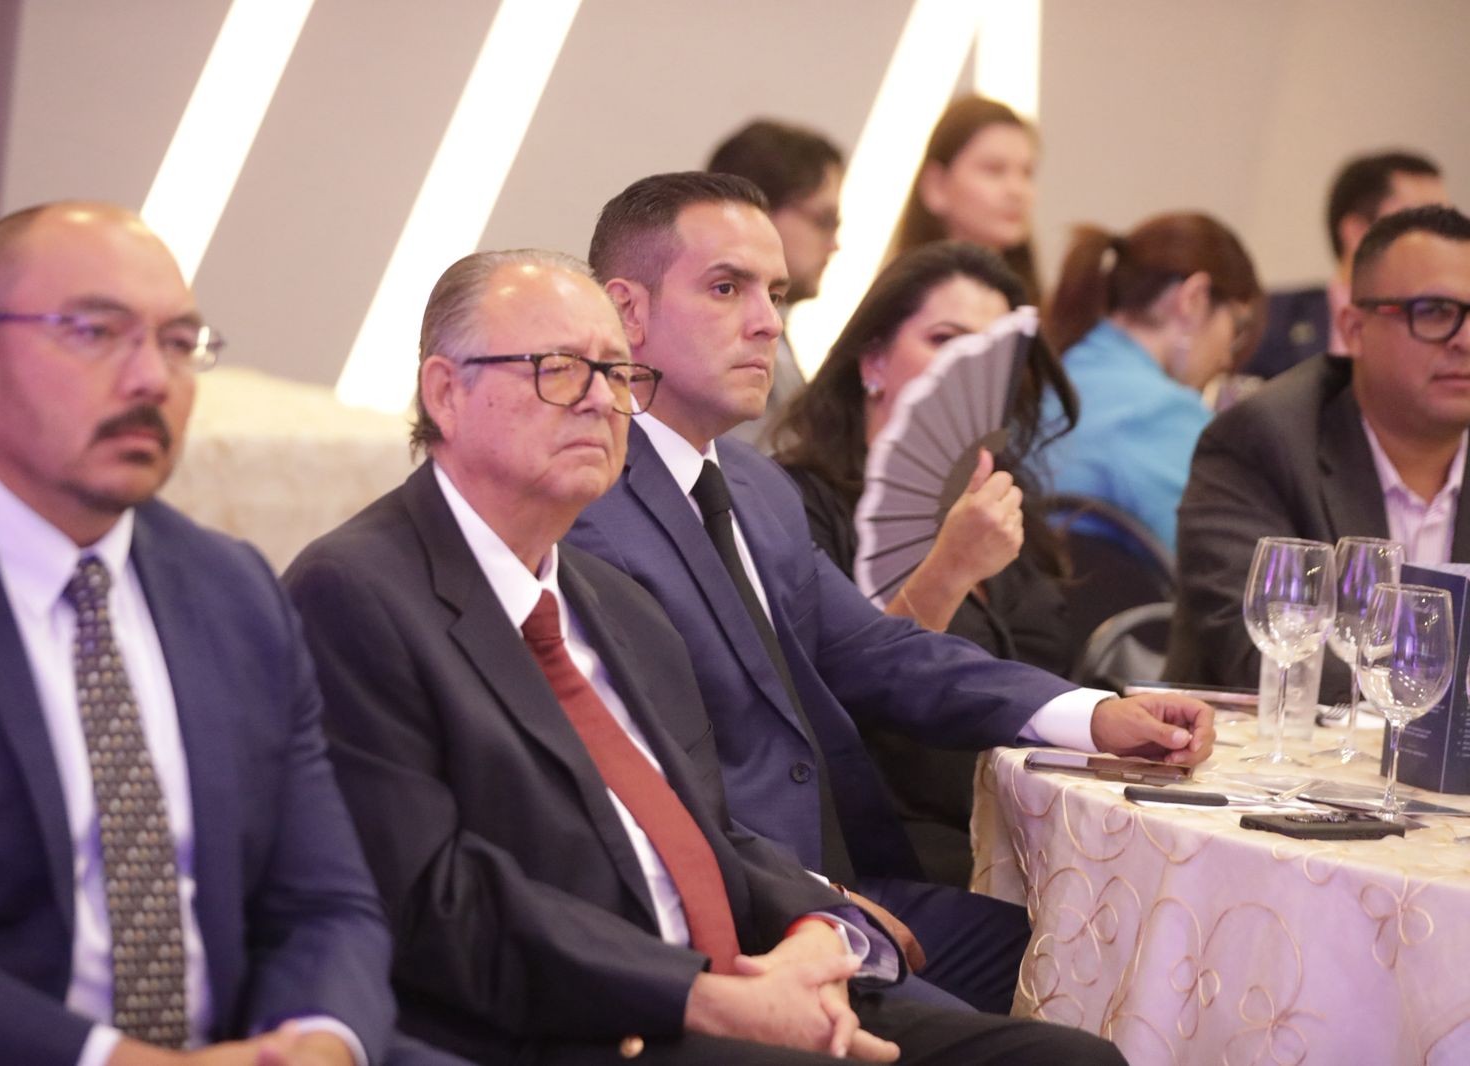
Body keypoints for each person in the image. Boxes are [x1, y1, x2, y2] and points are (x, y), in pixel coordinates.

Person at [283, 248, 1127, 1066]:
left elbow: (705, 830)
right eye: (559, 370)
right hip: (581, 1022)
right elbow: (436, 902)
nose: (601, 401)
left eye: (617, 373)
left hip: (736, 975)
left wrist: (818, 928)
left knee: (1070, 1056)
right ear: (446, 391)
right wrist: (706, 998)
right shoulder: (358, 591)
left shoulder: (614, 604)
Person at [566, 171, 1215, 1014]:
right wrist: (815, 902)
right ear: (627, 312)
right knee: (1070, 1031)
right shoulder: (586, 502)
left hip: (848, 874)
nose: (767, 322)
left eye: (776, 293)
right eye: (727, 288)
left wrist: (1094, 714)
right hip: (739, 916)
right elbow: (646, 772)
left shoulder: (755, 488)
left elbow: (878, 650)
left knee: (1130, 957)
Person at [0, 202, 446, 1065]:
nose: (150, 378)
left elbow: (326, 903)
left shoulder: (232, 590)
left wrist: (317, 1042)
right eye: (95, 332)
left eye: (178, 343)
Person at [769, 241, 1076, 885]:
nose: (971, 368)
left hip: (1037, 835)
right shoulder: (794, 502)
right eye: (946, 340)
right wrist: (949, 571)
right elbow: (830, 713)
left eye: (992, 353)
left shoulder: (1010, 500)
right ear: (873, 360)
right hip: (895, 852)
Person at [1167, 204, 1470, 701]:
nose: (1465, 340)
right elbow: (1264, 657)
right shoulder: (1261, 440)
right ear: (1354, 329)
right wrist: (1436, 699)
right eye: (1434, 312)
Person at [1034, 212, 1264, 552]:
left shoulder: (1051, 374)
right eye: (1238, 326)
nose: (1227, 359)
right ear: (1194, 298)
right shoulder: (1165, 413)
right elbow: (1218, 559)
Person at [1244, 151, 1446, 380]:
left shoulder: (1452, 329)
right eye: (1420, 225)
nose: (1442, 242)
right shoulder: (1270, 319)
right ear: (1357, 232)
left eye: (1447, 225)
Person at [707, 119, 845, 448]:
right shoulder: (720, 335)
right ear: (758, 213)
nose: (834, 244)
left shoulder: (777, 334)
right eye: (824, 221)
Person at [885, 95, 1041, 305]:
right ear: (936, 185)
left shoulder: (1039, 312)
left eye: (1027, 172)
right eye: (994, 170)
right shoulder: (900, 310)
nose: (1017, 190)